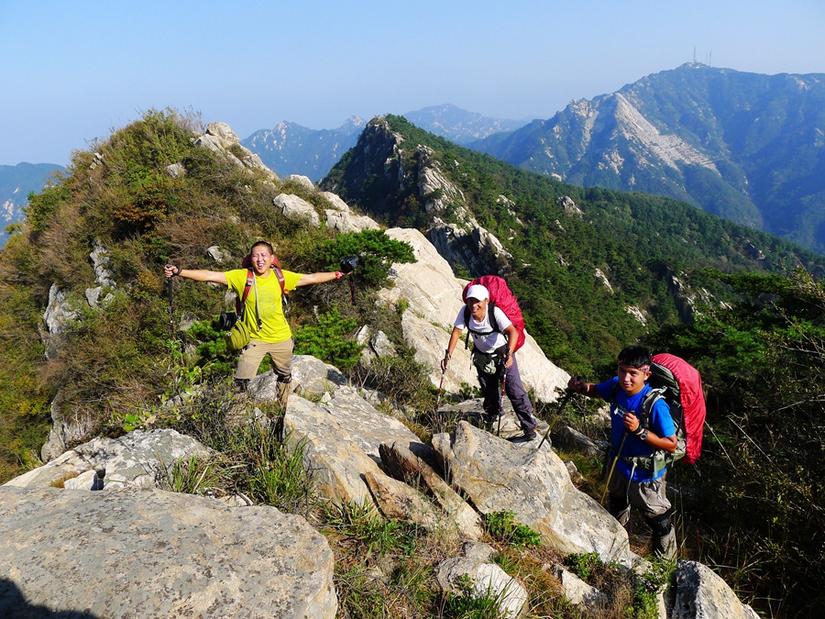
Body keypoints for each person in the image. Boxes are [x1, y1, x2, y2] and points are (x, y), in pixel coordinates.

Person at [164, 240, 343, 409]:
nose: (260, 260)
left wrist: (335, 274)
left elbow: (310, 278)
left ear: (272, 259)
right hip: (254, 339)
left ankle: (284, 407)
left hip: (281, 338)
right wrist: (180, 271)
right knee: (241, 380)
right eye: (256, 255)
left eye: (264, 255)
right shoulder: (242, 277)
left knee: (284, 375)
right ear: (251, 258)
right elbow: (210, 275)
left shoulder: (282, 277)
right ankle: (238, 416)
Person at [567, 345, 677, 559]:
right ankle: (615, 549)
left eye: (633, 373)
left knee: (658, 520)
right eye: (622, 370)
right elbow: (596, 390)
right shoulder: (616, 386)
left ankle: (666, 563)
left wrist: (640, 431)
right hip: (619, 463)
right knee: (617, 504)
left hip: (646, 475)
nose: (626, 378)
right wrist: (581, 387)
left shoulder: (655, 404)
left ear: (646, 374)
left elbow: (671, 443)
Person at [441, 284, 538, 442]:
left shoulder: (494, 312)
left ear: (486, 301)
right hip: (483, 357)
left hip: (503, 355)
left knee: (515, 391)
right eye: (471, 300)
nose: (474, 305)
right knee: (489, 390)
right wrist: (448, 356)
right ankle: (493, 414)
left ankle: (529, 427)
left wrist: (510, 354)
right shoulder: (465, 312)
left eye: (477, 301)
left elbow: (512, 331)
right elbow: (457, 332)